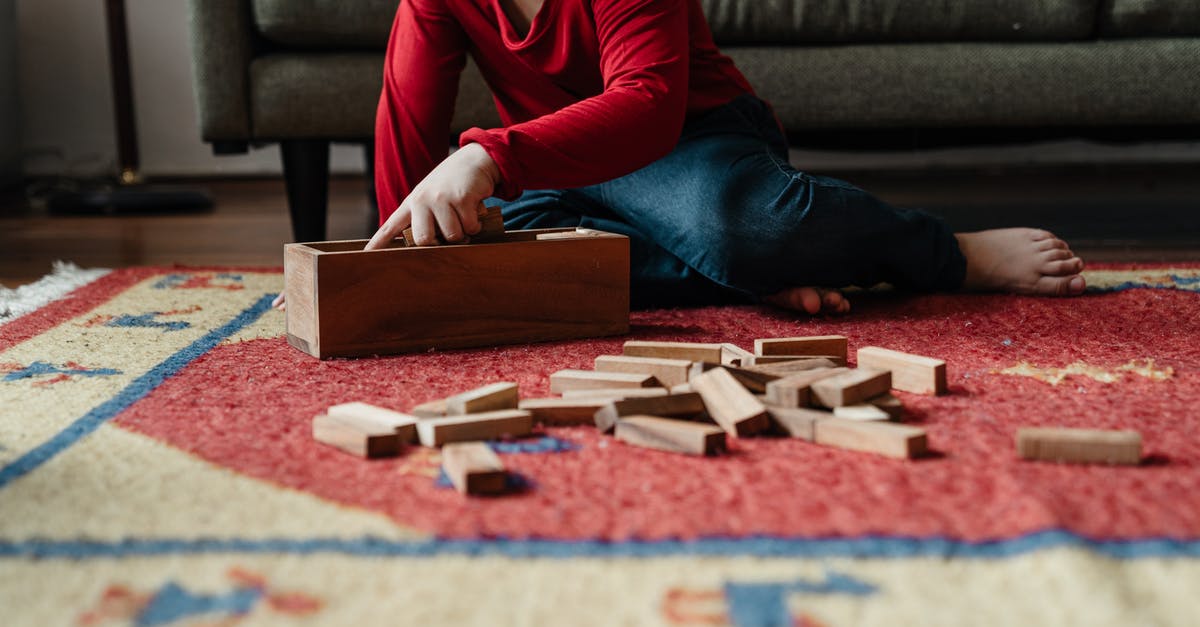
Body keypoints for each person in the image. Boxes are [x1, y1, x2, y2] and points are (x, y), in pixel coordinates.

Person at [361, 0, 1086, 314]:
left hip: (690, 145)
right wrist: (395, 268)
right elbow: (407, 116)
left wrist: (489, 154)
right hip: (562, 172)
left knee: (748, 227)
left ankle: (946, 253)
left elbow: (645, 107)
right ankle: (741, 278)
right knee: (512, 269)